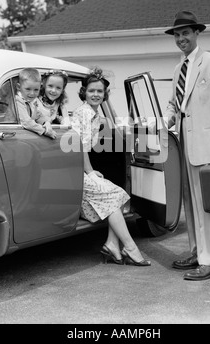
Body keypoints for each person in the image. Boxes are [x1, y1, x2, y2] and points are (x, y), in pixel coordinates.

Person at [164, 11, 210, 281]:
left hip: (207, 145)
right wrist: (165, 119)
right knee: (190, 204)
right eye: (177, 35)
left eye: (185, 33)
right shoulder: (177, 67)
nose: (181, 38)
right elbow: (175, 105)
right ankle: (196, 251)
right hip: (183, 143)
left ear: (196, 33)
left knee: (207, 205)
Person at [71, 67, 151, 267]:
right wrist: (90, 171)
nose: (96, 94)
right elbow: (80, 145)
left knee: (117, 195)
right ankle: (130, 248)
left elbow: (101, 135)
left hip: (79, 169)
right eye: (91, 91)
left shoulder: (94, 114)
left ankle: (112, 244)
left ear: (105, 94)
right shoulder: (84, 113)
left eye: (100, 91)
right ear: (84, 93)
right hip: (76, 170)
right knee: (116, 194)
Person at [16, 68, 57, 139]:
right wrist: (44, 131)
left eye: (36, 90)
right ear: (19, 87)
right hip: (17, 135)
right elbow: (27, 122)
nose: (32, 93)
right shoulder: (18, 101)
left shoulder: (32, 102)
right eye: (28, 89)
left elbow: (38, 116)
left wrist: (46, 123)